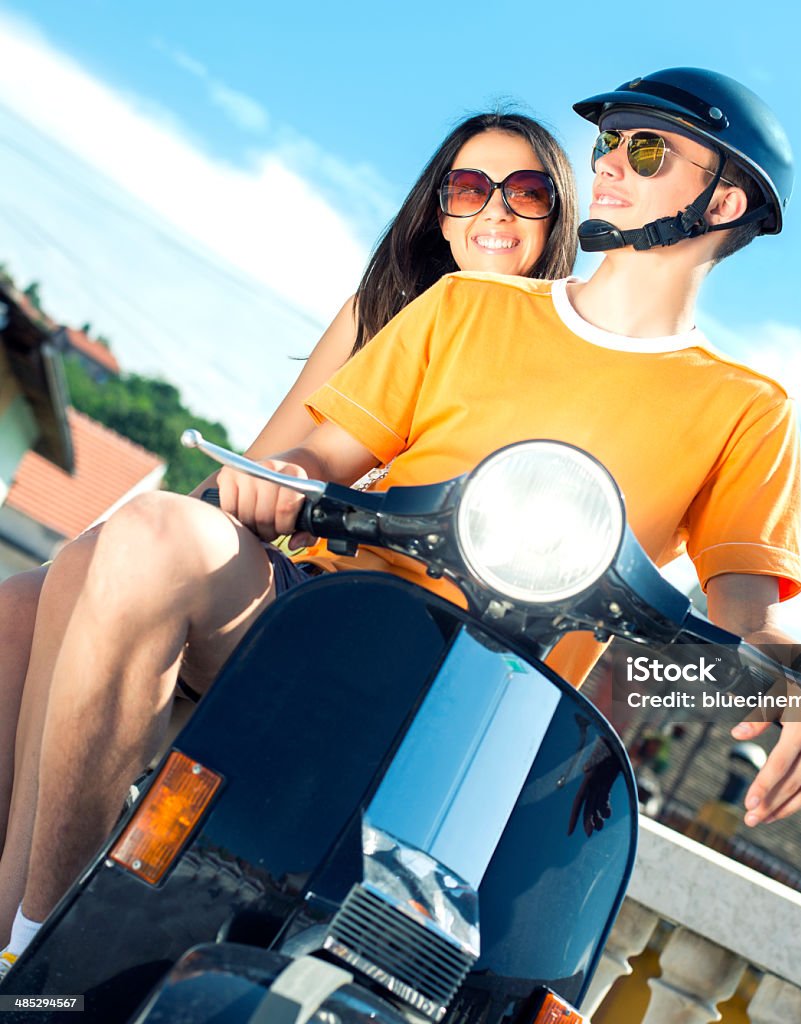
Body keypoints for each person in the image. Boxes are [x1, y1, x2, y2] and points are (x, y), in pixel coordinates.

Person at [2, 66, 801, 975]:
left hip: (495, 708)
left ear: (724, 200)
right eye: (608, 142)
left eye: (644, 149)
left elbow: (746, 614)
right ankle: (35, 954)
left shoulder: (747, 408)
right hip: (317, 625)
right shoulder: (464, 305)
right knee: (151, 536)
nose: (608, 162)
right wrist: (282, 479)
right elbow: (319, 458)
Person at [0, 110, 578, 969]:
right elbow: (267, 462)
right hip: (276, 589)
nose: (493, 209)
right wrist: (120, 554)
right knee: (28, 599)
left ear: (557, 216)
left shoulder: (556, 350)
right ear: (437, 207)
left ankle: (34, 938)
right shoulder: (379, 312)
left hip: (378, 643)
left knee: (107, 565)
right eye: (468, 187)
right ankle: (14, 924)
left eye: (525, 192)